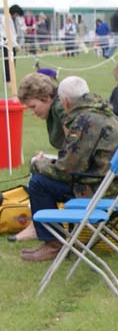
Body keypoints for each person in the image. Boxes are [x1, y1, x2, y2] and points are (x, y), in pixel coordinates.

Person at [20, 76, 118, 262]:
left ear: (64, 102)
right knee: (44, 179)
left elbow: (66, 170)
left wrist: (37, 163)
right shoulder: (102, 111)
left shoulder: (84, 121)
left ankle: (53, 244)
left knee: (39, 183)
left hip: (102, 191)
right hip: (116, 185)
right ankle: (53, 241)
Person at [11, 72, 68, 242]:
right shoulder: (58, 107)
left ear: (45, 97)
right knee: (39, 165)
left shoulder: (61, 110)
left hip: (87, 183)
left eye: (33, 106)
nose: (32, 112)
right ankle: (36, 225)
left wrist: (45, 164)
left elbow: (76, 153)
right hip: (86, 172)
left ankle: (43, 231)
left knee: (38, 177)